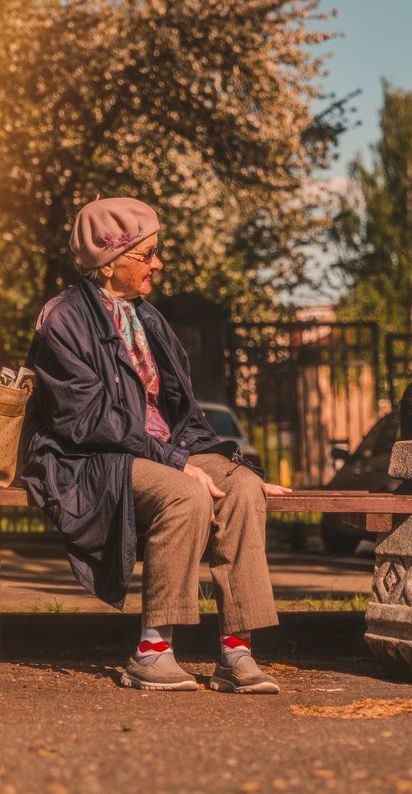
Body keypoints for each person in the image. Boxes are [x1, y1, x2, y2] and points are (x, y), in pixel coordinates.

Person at [21, 197, 291, 694]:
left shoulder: (148, 319)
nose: (158, 264)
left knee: (243, 489)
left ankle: (236, 652)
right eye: (146, 254)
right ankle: (152, 652)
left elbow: (182, 413)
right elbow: (85, 421)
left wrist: (235, 466)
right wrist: (176, 462)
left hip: (153, 450)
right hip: (87, 458)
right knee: (184, 494)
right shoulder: (64, 318)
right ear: (108, 261)